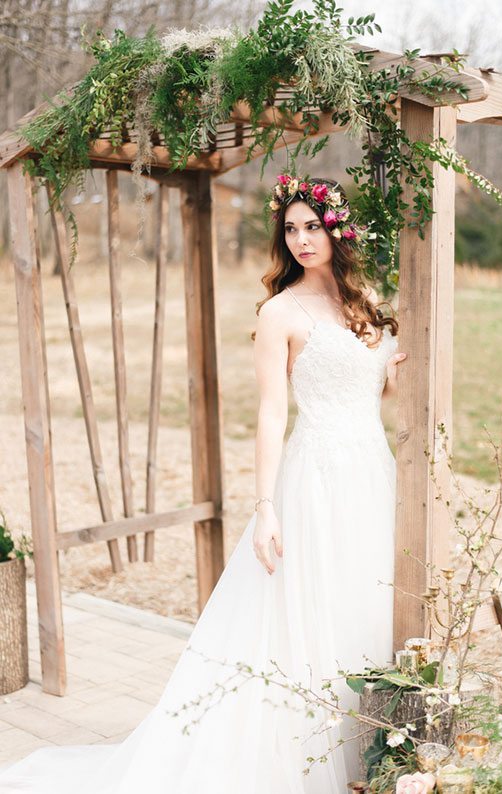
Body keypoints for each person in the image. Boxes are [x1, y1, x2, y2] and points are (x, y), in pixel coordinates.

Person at [0, 176, 407, 793]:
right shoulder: (280, 311)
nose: (300, 239)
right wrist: (265, 506)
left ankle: (367, 755)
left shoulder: (364, 301)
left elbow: (373, 392)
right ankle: (305, 759)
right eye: (290, 228)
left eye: (312, 226)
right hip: (316, 475)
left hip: (371, 472)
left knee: (365, 603)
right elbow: (273, 412)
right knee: (312, 607)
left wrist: (390, 372)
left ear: (337, 231)